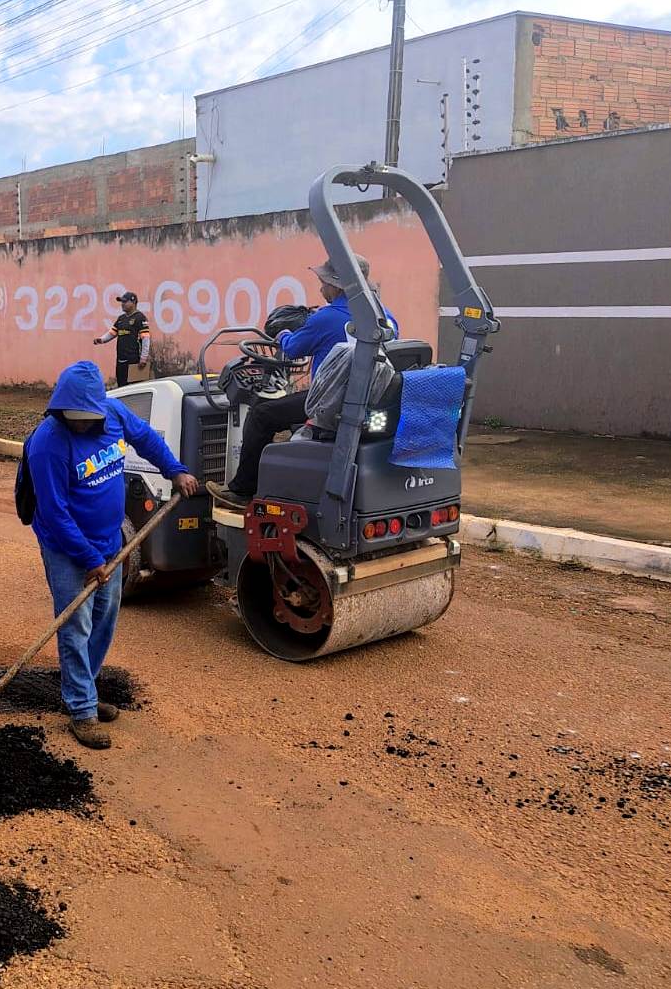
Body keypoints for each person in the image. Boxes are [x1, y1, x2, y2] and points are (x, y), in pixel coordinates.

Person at [26, 361, 199, 749]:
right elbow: (55, 513)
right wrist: (89, 559)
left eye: (88, 419)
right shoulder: (48, 443)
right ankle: (81, 709)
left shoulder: (114, 413)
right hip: (67, 547)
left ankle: (84, 688)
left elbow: (147, 440)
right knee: (76, 626)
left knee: (104, 620)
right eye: (75, 419)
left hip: (109, 541)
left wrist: (174, 470)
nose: (82, 426)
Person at [216, 253, 396, 505]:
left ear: (335, 284)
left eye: (323, 282)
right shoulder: (385, 317)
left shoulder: (326, 318)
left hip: (331, 404)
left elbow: (292, 348)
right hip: (371, 401)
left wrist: (283, 335)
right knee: (288, 412)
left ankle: (242, 489)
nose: (321, 288)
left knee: (261, 415)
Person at [93, 291, 151, 388]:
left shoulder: (140, 318)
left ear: (133, 302)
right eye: (121, 302)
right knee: (122, 387)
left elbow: (146, 339)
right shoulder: (121, 318)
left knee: (134, 388)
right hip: (121, 359)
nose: (122, 304)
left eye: (125, 302)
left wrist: (143, 358)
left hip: (134, 360)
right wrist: (101, 340)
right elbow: (112, 333)